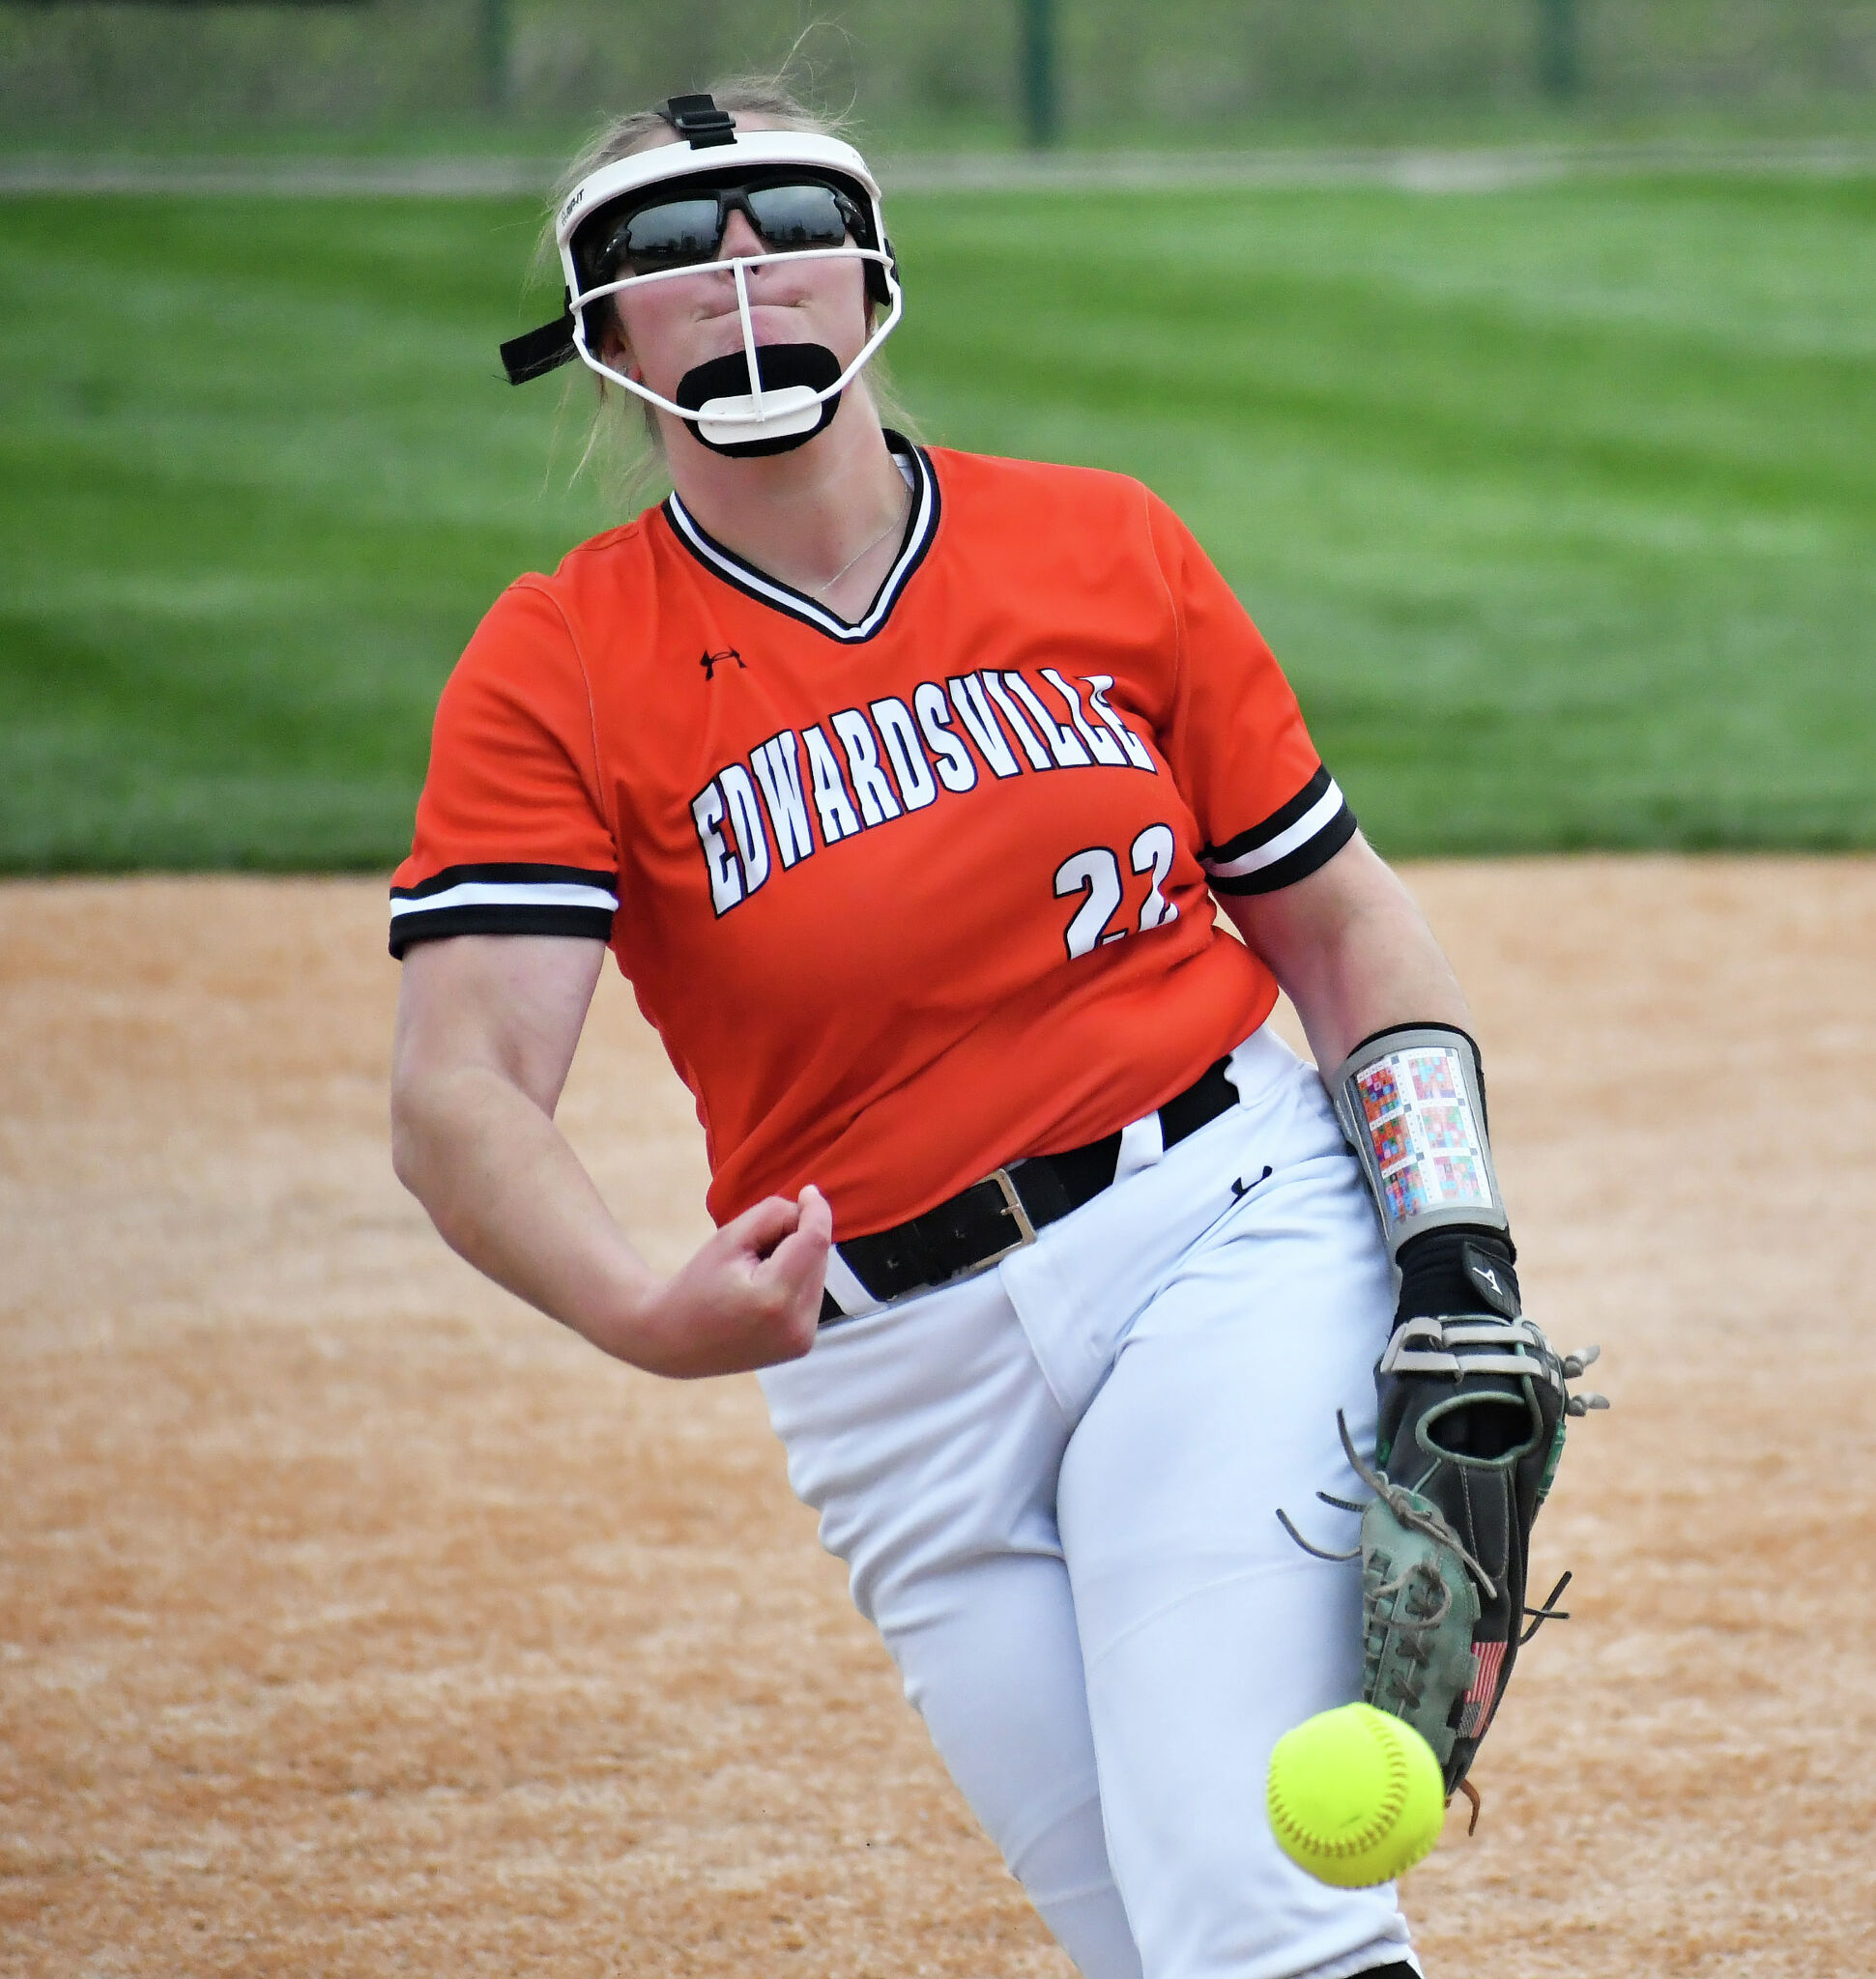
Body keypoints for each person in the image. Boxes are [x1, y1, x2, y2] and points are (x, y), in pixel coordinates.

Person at [388, 81, 1531, 1979]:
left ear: (871, 272)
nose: (739, 272)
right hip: (884, 1383)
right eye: (669, 242)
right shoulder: (559, 658)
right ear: (601, 330)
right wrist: (634, 1309)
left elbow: (1339, 929)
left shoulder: (1099, 545)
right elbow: (459, 1088)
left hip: (1217, 1236)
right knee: (1144, 1941)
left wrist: (1453, 1237)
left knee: (1250, 1899)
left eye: (785, 222)